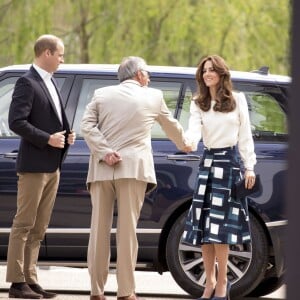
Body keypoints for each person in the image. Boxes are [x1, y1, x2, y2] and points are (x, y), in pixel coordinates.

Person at [80, 56, 192, 300]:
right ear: (139, 75)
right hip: (133, 170)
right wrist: (186, 144)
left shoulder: (101, 94)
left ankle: (96, 291)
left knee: (98, 230)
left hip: (101, 170)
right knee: (127, 231)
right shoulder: (153, 96)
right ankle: (126, 291)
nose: (149, 78)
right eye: (147, 74)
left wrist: (105, 151)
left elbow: (86, 127)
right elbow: (171, 126)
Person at [6, 34, 76, 299]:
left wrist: (66, 135)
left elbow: (51, 120)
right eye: (60, 55)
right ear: (46, 53)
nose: (62, 59)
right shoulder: (27, 82)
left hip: (52, 165)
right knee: (24, 224)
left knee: (39, 227)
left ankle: (30, 279)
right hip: (34, 165)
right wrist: (47, 138)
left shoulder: (51, 81)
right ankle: (16, 282)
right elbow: (16, 121)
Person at [183, 55, 256, 300]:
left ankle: (223, 281)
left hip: (230, 165)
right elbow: (193, 132)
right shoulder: (198, 102)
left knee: (221, 231)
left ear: (222, 73)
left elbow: (245, 135)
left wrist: (249, 167)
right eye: (205, 70)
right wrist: (188, 142)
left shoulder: (237, 100)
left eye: (212, 70)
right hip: (208, 164)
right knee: (204, 229)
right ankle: (209, 281)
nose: (208, 74)